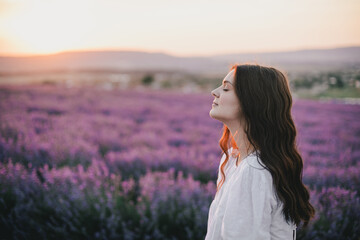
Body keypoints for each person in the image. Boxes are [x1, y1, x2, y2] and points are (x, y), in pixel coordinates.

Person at [205, 64, 315, 240]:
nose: (214, 91)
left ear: (252, 101)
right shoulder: (233, 160)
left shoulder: (253, 170)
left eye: (226, 88)